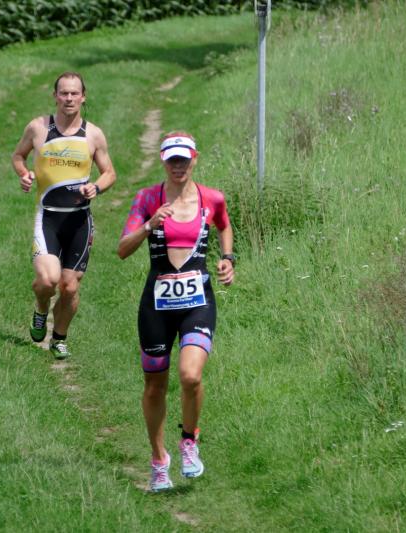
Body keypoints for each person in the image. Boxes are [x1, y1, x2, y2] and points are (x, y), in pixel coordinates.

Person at [117, 132, 235, 492]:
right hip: (156, 306)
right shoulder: (147, 199)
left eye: (184, 159)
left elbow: (224, 224)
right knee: (155, 386)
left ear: (194, 159)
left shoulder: (212, 198)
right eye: (172, 160)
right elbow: (122, 249)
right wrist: (149, 224)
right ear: (163, 162)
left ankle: (188, 442)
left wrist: (227, 259)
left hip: (197, 303)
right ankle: (158, 460)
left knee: (190, 376)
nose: (178, 166)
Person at [12, 72, 116, 359]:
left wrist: (96, 187)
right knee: (48, 281)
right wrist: (24, 174)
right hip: (48, 218)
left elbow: (109, 173)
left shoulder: (93, 134)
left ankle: (59, 338)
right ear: (55, 96)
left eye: (74, 93)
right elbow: (18, 156)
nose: (69, 98)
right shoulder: (38, 128)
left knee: (69, 287)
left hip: (79, 221)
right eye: (64, 93)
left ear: (83, 97)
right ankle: (40, 309)